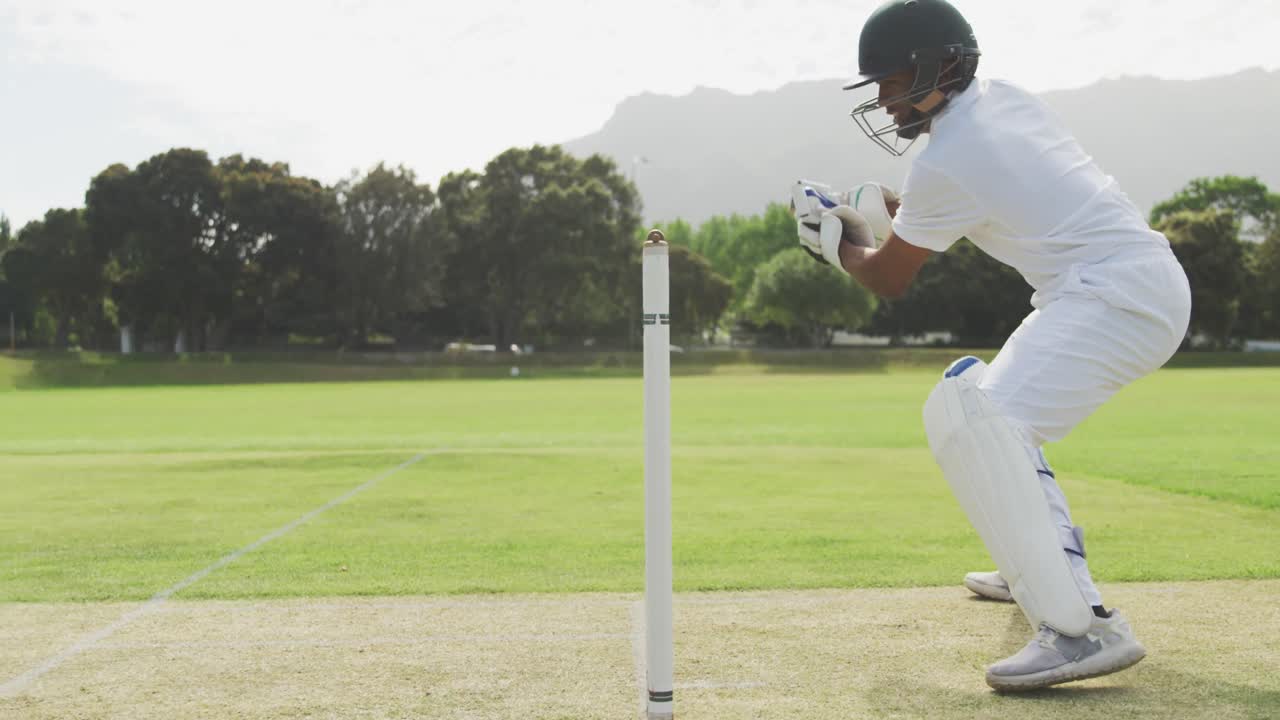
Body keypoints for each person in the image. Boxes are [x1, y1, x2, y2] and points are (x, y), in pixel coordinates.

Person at [792, 0, 1192, 692]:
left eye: (894, 81)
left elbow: (887, 277)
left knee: (986, 422)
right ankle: (1031, 565)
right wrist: (894, 211)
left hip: (1115, 296)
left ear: (943, 65)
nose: (886, 102)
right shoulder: (1003, 102)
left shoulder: (950, 157)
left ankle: (1081, 630)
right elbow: (983, 198)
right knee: (975, 410)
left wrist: (836, 243)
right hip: (1117, 286)